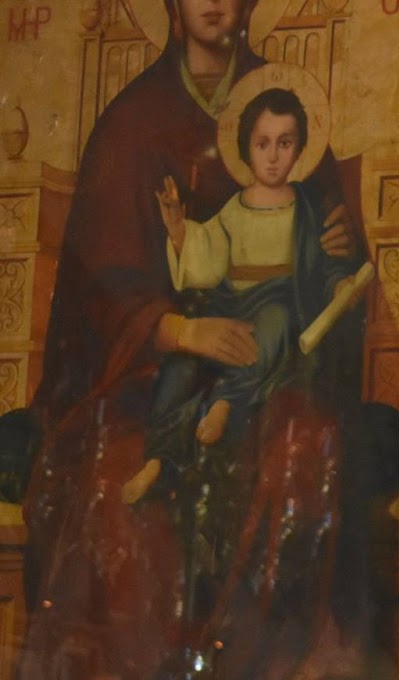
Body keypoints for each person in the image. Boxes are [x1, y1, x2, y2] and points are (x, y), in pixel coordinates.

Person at [0, 0, 374, 680]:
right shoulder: (130, 127)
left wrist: (336, 252)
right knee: (112, 493)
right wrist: (180, 329)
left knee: (305, 448)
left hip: (267, 379)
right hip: (144, 381)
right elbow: (98, 289)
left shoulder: (283, 111)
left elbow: (331, 286)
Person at [124, 87, 365, 504]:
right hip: (230, 303)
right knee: (181, 365)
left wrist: (340, 286)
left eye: (284, 143)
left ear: (299, 150)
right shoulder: (235, 208)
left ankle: (224, 402)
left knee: (273, 324)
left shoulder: (308, 208)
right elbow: (207, 260)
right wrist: (178, 228)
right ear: (246, 149)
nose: (273, 156)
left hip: (281, 303)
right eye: (262, 143)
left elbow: (325, 265)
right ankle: (158, 458)